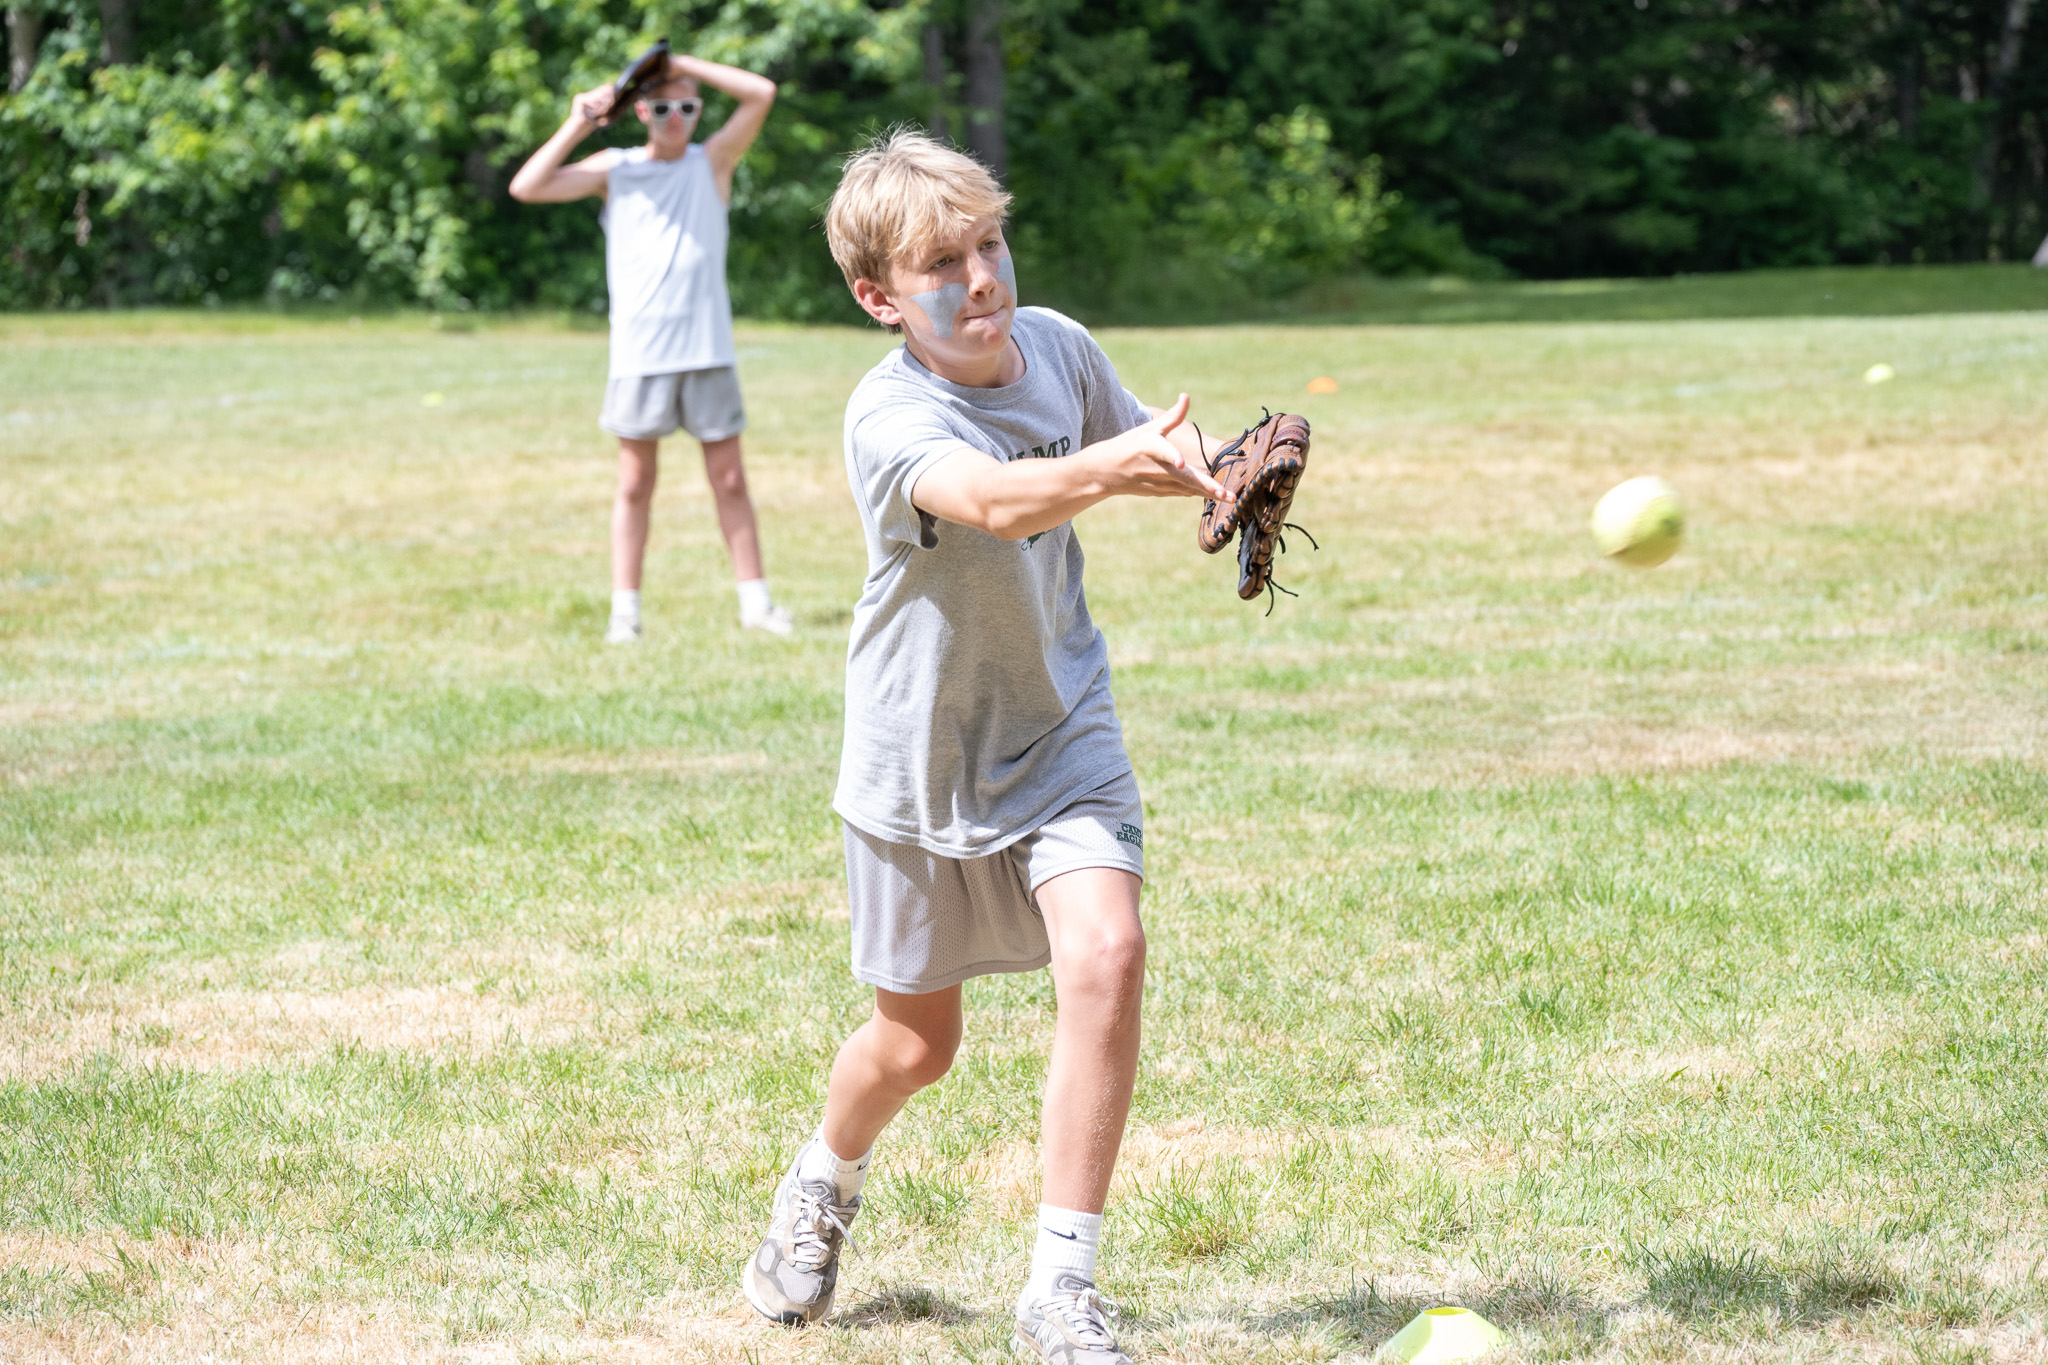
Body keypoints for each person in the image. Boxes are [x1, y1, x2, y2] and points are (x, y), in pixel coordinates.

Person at [741, 129, 1233, 1365]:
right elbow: (998, 502)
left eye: (989, 245)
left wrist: (1212, 467)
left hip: (1060, 723)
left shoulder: (1056, 346)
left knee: (1108, 952)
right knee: (917, 1046)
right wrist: (1113, 467)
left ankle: (1059, 1289)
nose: (979, 279)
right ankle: (821, 1178)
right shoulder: (889, 411)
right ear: (878, 299)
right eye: (940, 265)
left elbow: (1141, 441)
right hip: (918, 758)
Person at [510, 47, 791, 641]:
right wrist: (580, 121)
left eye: (687, 107)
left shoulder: (712, 162)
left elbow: (761, 93)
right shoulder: (616, 169)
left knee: (730, 481)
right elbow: (526, 187)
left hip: (707, 349)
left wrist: (679, 63)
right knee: (635, 485)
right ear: (641, 111)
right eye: (662, 107)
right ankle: (626, 614)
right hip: (641, 355)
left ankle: (757, 606)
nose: (675, 118)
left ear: (698, 112)